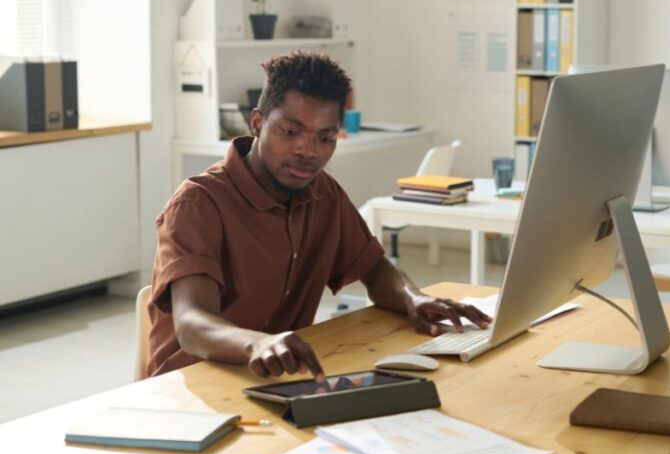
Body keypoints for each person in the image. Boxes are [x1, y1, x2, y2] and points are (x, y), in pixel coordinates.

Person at [146, 50, 489, 379]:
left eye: (325, 137)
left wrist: (414, 297)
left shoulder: (324, 193)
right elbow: (191, 324)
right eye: (291, 132)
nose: (307, 151)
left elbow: (375, 269)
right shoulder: (198, 204)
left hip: (275, 379)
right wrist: (258, 343)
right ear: (257, 122)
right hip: (191, 387)